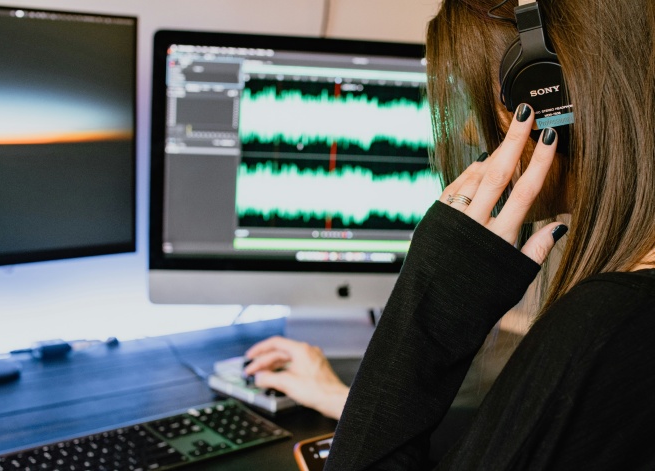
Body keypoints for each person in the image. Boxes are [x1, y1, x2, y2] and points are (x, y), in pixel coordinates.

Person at [254, 0, 655, 468]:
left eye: (485, 99)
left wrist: (430, 302)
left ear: (552, 97)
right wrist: (360, 406)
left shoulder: (606, 327)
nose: (467, 128)